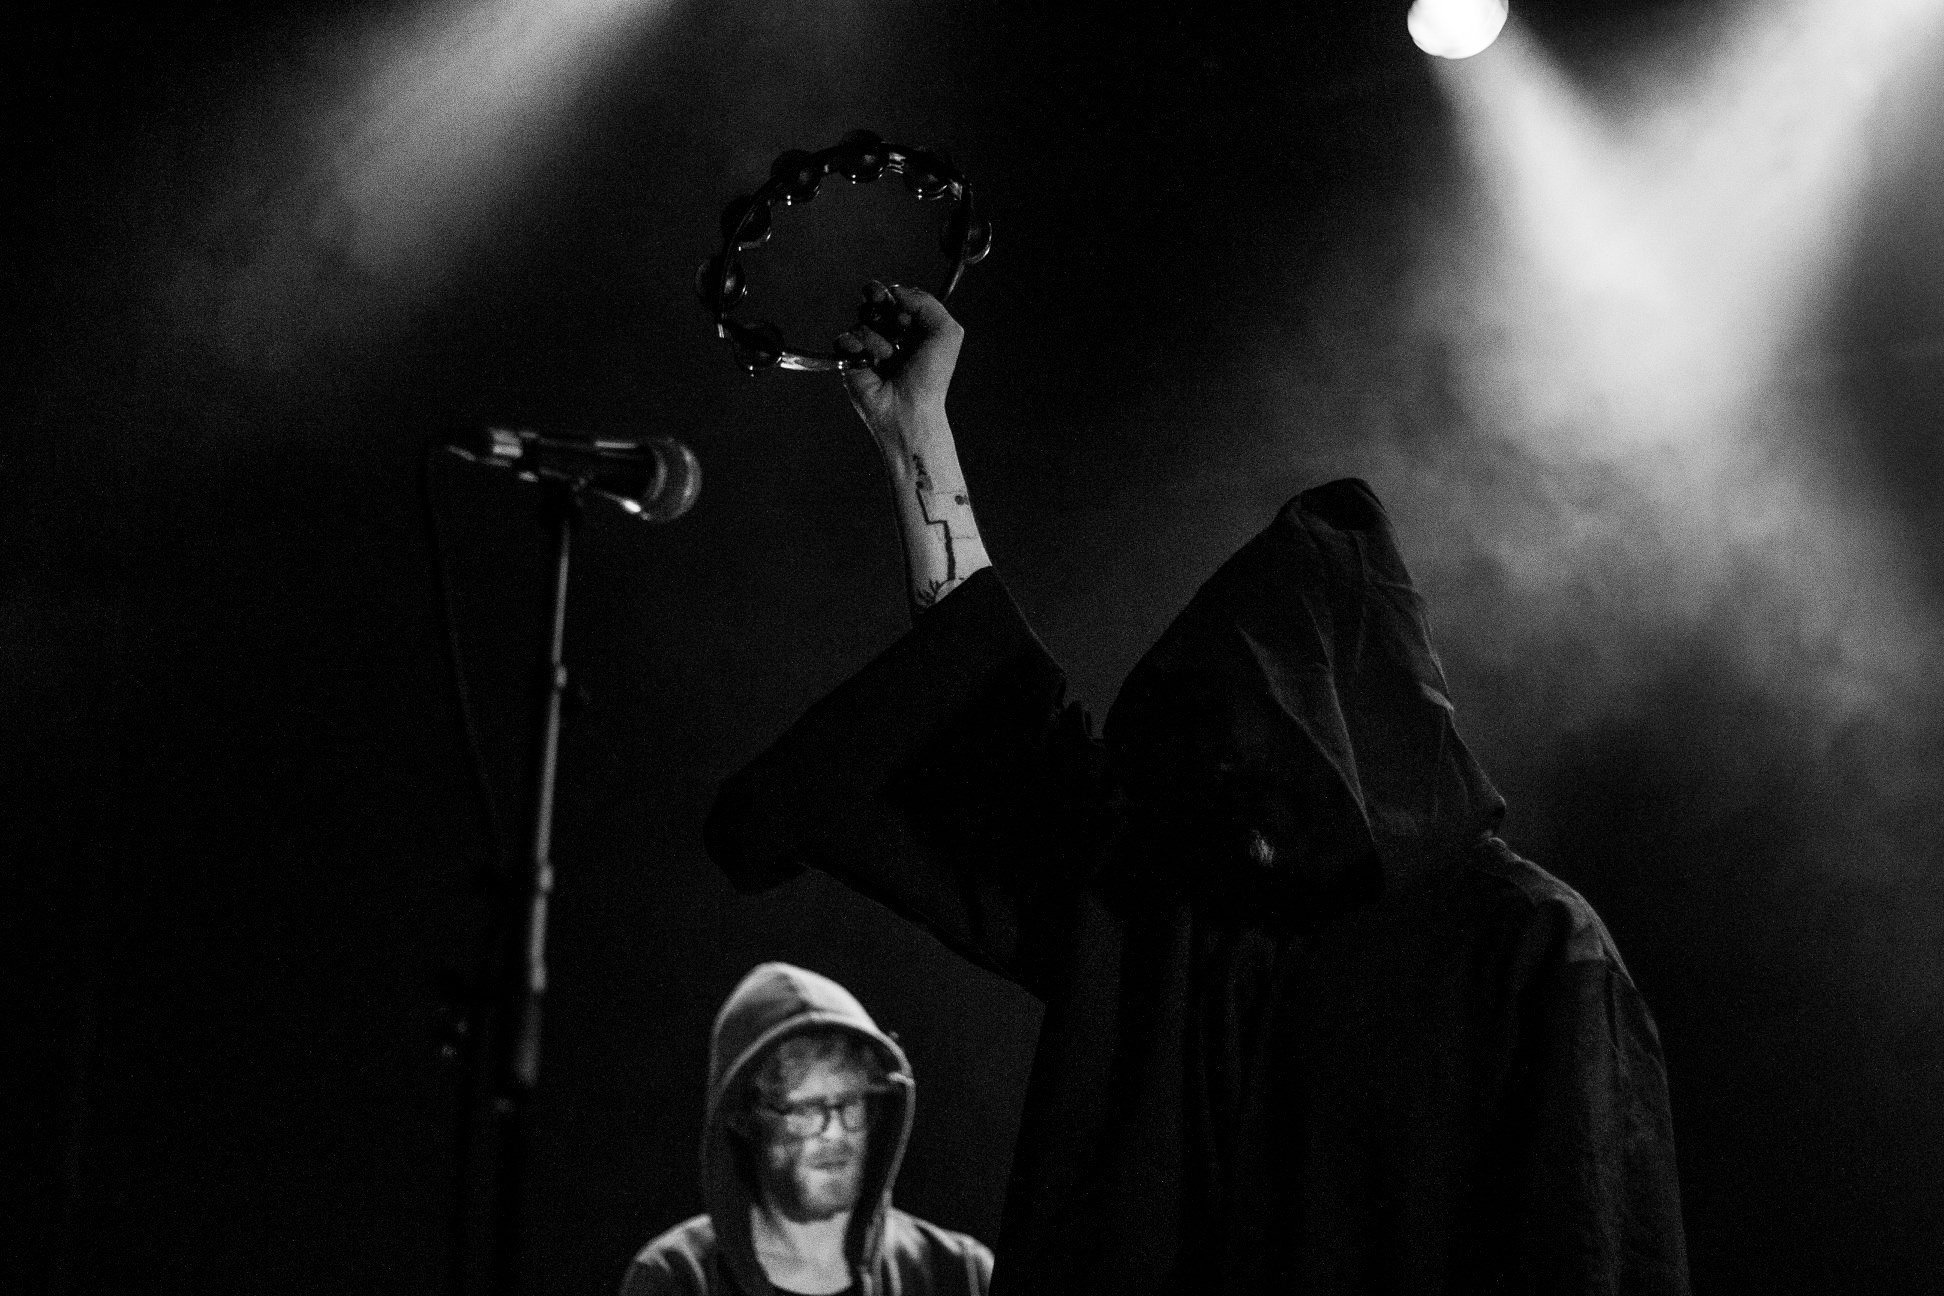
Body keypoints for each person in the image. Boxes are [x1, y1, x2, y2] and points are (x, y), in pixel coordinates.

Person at [701, 283, 1690, 1294]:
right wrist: (917, 435)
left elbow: (1596, 1244)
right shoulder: (1194, 917)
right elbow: (1003, 739)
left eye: (1263, 740)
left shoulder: (1528, 947)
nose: (1234, 788)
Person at [621, 961, 993, 1296]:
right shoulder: (677, 1278)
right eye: (805, 1109)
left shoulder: (963, 1275)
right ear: (745, 1119)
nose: (834, 1133)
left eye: (849, 1103)